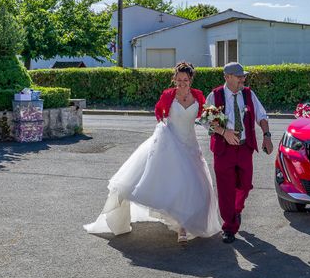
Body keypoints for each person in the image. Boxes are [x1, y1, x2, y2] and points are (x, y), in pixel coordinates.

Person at [84, 62, 221, 242]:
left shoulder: (198, 96)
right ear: (174, 80)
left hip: (191, 145)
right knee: (177, 183)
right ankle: (181, 229)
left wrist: (216, 122)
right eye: (178, 80)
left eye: (185, 80)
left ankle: (185, 224)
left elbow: (204, 116)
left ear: (190, 80)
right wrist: (163, 125)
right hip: (171, 142)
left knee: (195, 186)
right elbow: (159, 111)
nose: (181, 83)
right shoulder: (168, 95)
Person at [206, 62, 274, 244]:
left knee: (244, 186)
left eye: (243, 76)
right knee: (226, 189)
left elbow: (262, 116)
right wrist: (224, 132)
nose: (243, 79)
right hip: (223, 150)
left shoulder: (248, 94)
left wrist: (266, 136)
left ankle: (236, 211)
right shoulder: (215, 95)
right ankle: (229, 227)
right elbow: (207, 121)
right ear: (227, 77)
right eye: (239, 76)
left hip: (244, 148)